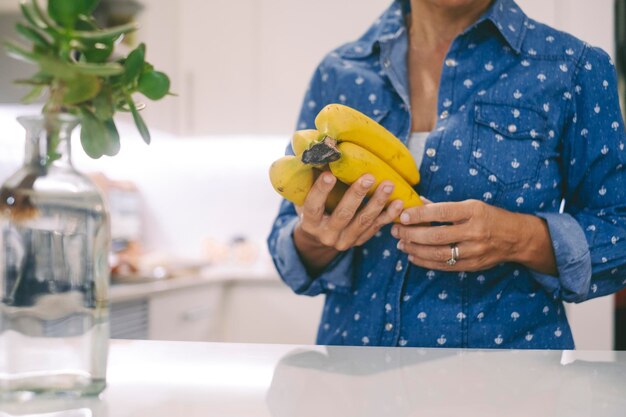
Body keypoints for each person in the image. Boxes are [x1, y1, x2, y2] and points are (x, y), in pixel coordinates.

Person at [267, 0, 626, 349]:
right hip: (349, 381)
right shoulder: (338, 71)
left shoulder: (573, 67)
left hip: (505, 388)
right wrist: (316, 238)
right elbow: (289, 248)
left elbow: (619, 232)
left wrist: (518, 237)